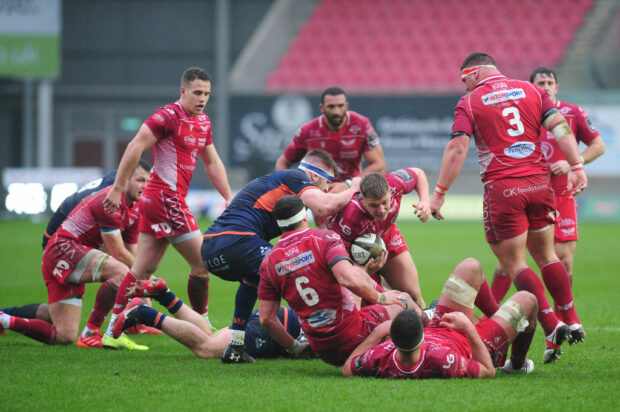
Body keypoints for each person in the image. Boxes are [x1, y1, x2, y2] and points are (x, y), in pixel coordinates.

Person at [429, 52, 587, 364]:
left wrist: (440, 193)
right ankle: (571, 318)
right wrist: (577, 166)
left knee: (514, 263)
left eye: (465, 80)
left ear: (476, 73)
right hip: (539, 184)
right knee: (547, 255)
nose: (464, 86)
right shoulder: (532, 91)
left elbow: (458, 147)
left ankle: (551, 323)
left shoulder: (470, 102)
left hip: (504, 188)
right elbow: (560, 128)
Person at [102, 67, 233, 338]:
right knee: (203, 264)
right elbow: (135, 145)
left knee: (142, 269)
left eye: (206, 94)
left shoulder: (203, 122)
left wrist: (229, 196)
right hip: (165, 198)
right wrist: (117, 188)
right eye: (197, 92)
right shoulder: (168, 116)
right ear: (183, 91)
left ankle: (111, 330)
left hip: (158, 200)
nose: (202, 98)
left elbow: (212, 162)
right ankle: (203, 325)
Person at [202, 150, 363, 363]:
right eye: (327, 182)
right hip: (237, 241)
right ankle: (307, 334)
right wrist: (354, 188)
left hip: (211, 248)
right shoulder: (296, 177)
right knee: (301, 266)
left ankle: (236, 347)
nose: (326, 189)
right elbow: (325, 205)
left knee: (254, 280)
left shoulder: (284, 185)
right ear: (313, 176)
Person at [0, 163, 150, 349]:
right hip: (63, 249)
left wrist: (143, 278)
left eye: (147, 181)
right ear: (124, 180)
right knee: (120, 271)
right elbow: (119, 253)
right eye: (140, 180)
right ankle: (91, 332)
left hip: (72, 254)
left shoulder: (136, 208)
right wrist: (146, 280)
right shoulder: (111, 202)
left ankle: (4, 319)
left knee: (65, 335)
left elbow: (131, 253)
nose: (145, 186)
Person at [491, 67, 605, 302]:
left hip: (562, 195)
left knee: (564, 260)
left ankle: (563, 315)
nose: (546, 87)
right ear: (531, 88)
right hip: (528, 193)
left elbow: (598, 146)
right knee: (510, 259)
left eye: (549, 83)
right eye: (540, 83)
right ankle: (488, 314)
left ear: (556, 87)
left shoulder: (572, 113)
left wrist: (573, 162)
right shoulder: (520, 114)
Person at [258, 195, 412, 367]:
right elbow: (347, 279)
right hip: (353, 335)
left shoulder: (268, 262)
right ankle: (430, 335)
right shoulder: (324, 238)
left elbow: (266, 318)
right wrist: (382, 297)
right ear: (304, 216)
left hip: (324, 351)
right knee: (403, 301)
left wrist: (295, 348)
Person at [342, 258, 538, 379]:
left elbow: (348, 368)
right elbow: (487, 370)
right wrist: (468, 328)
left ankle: (494, 317)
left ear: (392, 339)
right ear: (421, 334)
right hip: (476, 345)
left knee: (470, 267)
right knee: (528, 300)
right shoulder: (443, 360)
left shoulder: (381, 357)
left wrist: (378, 332)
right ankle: (516, 364)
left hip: (440, 326)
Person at [111, 277, 308, 360]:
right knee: (206, 348)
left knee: (208, 336)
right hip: (272, 329)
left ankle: (165, 295)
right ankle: (142, 313)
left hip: (275, 319)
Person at [327, 169, 433, 310]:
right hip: (356, 255)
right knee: (369, 305)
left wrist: (425, 202)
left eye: (384, 202)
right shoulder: (348, 219)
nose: (382, 210)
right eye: (374, 205)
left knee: (413, 295)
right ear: (362, 199)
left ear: (390, 193)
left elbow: (418, 174)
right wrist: (364, 271)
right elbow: (339, 256)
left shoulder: (395, 183)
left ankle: (426, 322)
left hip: (388, 237)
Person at [276, 87, 385, 191]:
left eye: (340, 106)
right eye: (331, 107)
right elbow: (283, 163)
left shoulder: (361, 125)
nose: (336, 111)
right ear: (322, 108)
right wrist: (289, 190)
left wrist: (348, 185)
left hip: (350, 190)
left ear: (346, 106)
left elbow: (379, 165)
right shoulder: (307, 131)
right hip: (317, 192)